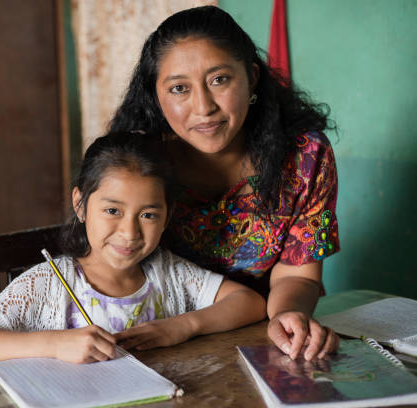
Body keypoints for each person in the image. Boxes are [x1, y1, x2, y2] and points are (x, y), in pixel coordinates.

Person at [109, 5, 340, 361]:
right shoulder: (136, 162)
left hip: (264, 339)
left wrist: (286, 317)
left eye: (219, 80)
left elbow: (300, 274)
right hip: (158, 341)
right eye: (179, 89)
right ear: (156, 96)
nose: (203, 107)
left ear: (250, 77)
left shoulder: (307, 157)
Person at [0, 131, 265, 366]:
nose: (129, 232)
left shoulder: (167, 272)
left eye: (149, 215)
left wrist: (181, 326)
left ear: (168, 216)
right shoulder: (50, 284)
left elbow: (250, 302)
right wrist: (56, 344)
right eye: (112, 211)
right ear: (81, 205)